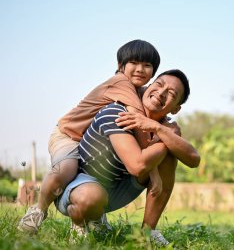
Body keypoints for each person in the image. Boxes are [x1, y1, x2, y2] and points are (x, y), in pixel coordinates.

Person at [18, 39, 163, 233]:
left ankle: (92, 215)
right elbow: (138, 122)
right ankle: (38, 210)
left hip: (87, 140)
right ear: (120, 66)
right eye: (134, 63)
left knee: (97, 173)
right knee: (67, 169)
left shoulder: (139, 91)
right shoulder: (121, 83)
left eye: (147, 65)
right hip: (67, 134)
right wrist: (153, 171)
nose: (140, 69)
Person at [55, 69, 200, 246]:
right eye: (159, 85)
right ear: (148, 87)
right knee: (91, 197)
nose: (161, 93)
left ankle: (147, 233)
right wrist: (165, 137)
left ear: (176, 108)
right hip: (78, 189)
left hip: (114, 191)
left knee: (172, 152)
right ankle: (80, 224)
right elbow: (137, 166)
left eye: (170, 93)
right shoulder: (117, 112)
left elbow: (194, 159)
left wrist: (159, 129)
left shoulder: (162, 126)